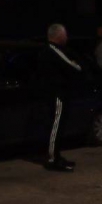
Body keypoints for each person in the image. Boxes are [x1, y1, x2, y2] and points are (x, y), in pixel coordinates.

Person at [37, 23, 82, 172]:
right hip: (57, 94)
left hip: (53, 93)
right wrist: (76, 66)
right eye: (65, 34)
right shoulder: (53, 50)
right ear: (59, 36)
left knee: (55, 126)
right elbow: (72, 67)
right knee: (56, 126)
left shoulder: (47, 51)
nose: (67, 37)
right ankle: (52, 159)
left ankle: (55, 155)